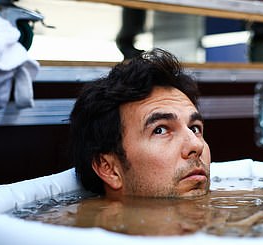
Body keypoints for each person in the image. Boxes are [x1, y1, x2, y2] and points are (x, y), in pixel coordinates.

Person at [69, 48, 211, 199]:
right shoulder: (57, 219)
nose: (196, 145)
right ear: (109, 168)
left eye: (194, 128)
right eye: (160, 130)